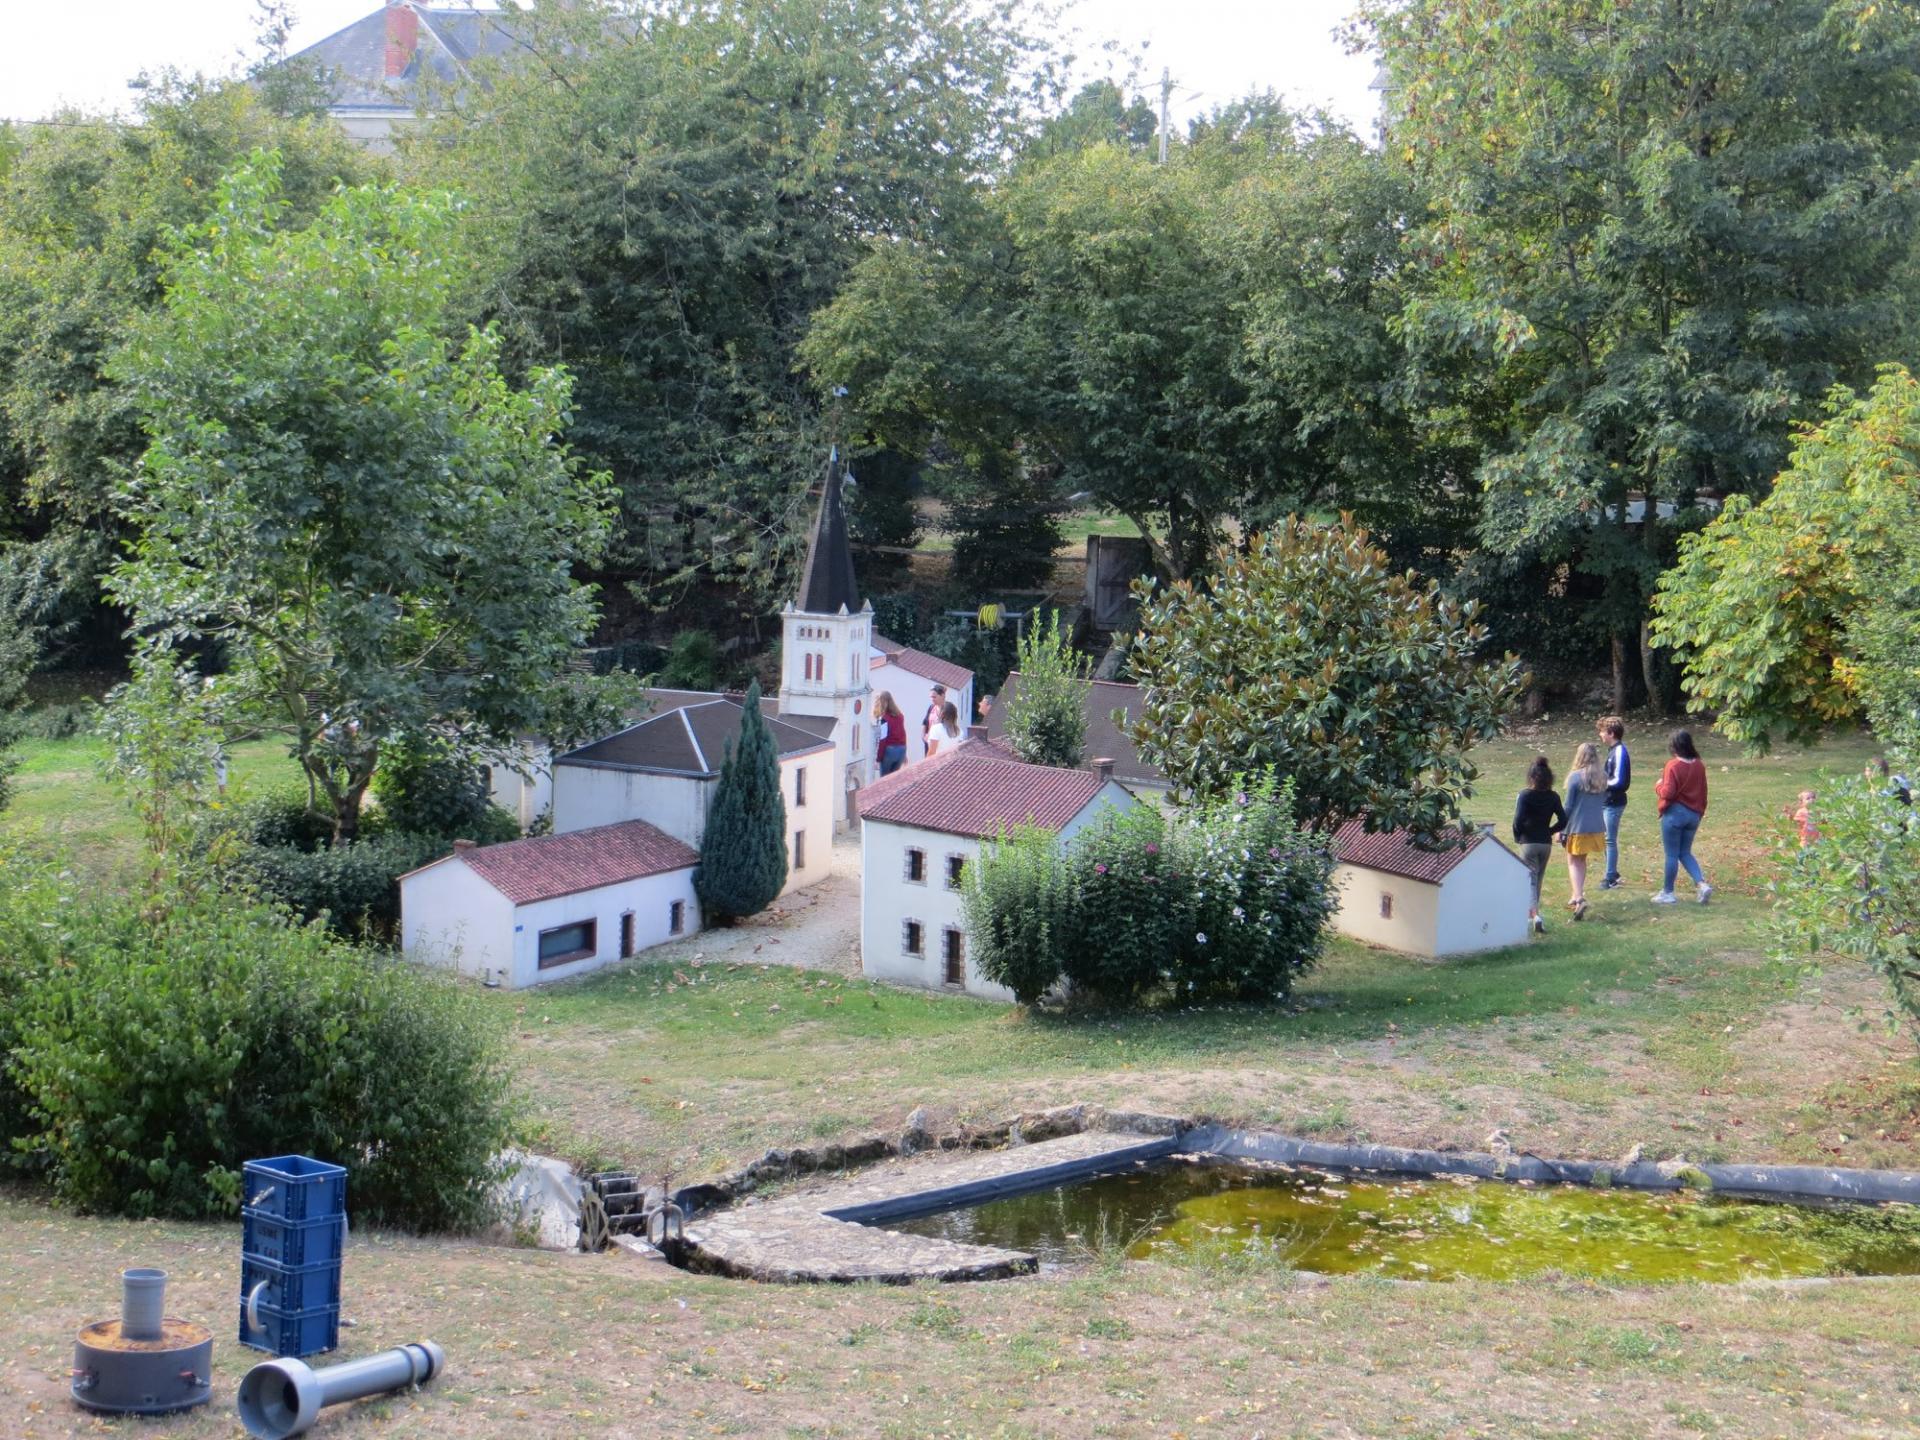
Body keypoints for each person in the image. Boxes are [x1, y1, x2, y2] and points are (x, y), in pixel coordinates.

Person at [1652, 728, 1712, 905]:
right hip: (1693, 814)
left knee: (1671, 854)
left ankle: (1668, 892)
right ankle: (1701, 884)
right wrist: (1700, 811)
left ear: (1674, 746)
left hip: (1675, 815)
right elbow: (1704, 791)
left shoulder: (1673, 765)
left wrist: (1658, 787)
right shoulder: (1699, 765)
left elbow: (1668, 793)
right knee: (1685, 852)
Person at [1512, 755, 1566, 935]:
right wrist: (1549, 831)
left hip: (1528, 842)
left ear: (1532, 777)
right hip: (1545, 844)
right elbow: (1563, 820)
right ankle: (1533, 913)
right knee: (1538, 879)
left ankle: (1534, 915)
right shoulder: (1553, 796)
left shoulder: (1525, 795)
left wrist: (1518, 835)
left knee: (1529, 879)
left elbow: (1517, 820)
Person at [1561, 741, 1607, 920]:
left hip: (1577, 827)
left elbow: (1568, 806)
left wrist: (1561, 828)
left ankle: (1579, 897)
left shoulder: (1575, 777)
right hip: (1595, 827)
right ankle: (1575, 893)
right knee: (1581, 860)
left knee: (1573, 860)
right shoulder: (1603, 776)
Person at [1598, 715, 1630, 889]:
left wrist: (1601, 784)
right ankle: (1613, 873)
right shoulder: (1612, 751)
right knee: (1606, 839)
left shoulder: (1619, 751)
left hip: (1614, 802)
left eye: (1602, 732)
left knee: (1610, 839)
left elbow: (1620, 781)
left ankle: (1610, 877)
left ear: (1611, 733)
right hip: (1607, 800)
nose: (1600, 735)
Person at [873, 690, 907, 776]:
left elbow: (882, 740)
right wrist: (904, 754)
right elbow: (903, 733)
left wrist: (878, 759)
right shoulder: (900, 716)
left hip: (890, 751)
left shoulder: (884, 719)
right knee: (894, 780)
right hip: (901, 750)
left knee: (884, 781)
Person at [921, 683, 948, 754]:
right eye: (931, 697)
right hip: (928, 742)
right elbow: (925, 722)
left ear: (942, 696)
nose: (932, 699)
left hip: (939, 744)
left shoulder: (947, 710)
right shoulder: (931, 707)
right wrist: (923, 736)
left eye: (934, 697)